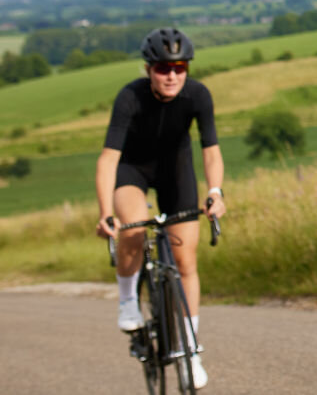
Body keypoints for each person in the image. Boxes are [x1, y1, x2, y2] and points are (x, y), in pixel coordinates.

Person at [95, 27, 226, 390]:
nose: (172, 76)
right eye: (163, 68)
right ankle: (127, 302)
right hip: (132, 170)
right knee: (134, 227)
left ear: (187, 69)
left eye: (180, 67)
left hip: (175, 171)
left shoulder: (198, 95)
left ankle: (190, 352)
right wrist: (107, 213)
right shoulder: (130, 98)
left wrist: (215, 192)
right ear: (149, 69)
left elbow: (211, 150)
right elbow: (108, 160)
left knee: (186, 263)